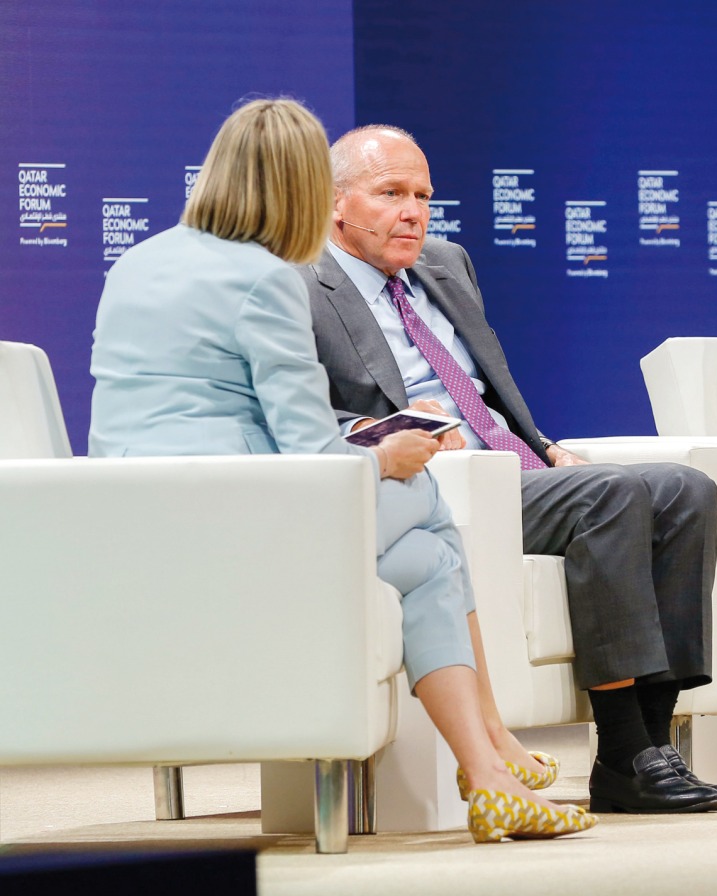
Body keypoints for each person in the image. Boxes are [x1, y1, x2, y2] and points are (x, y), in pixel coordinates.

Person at [88, 98, 597, 842]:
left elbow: (206, 397)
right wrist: (385, 453)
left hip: (132, 507)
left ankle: (490, 772)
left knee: (425, 556)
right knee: (426, 508)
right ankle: (490, 754)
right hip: (241, 512)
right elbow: (311, 458)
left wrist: (356, 435)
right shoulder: (269, 279)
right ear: (306, 192)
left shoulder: (141, 259)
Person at [300, 124, 717, 814]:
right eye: (390, 194)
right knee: (615, 494)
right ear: (335, 204)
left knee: (685, 489)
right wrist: (392, 431)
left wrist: (543, 447)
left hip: (514, 467)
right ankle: (624, 746)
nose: (413, 212)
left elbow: (485, 390)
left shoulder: (446, 264)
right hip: (439, 482)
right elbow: (305, 417)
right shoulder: (303, 285)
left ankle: (653, 748)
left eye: (422, 195)